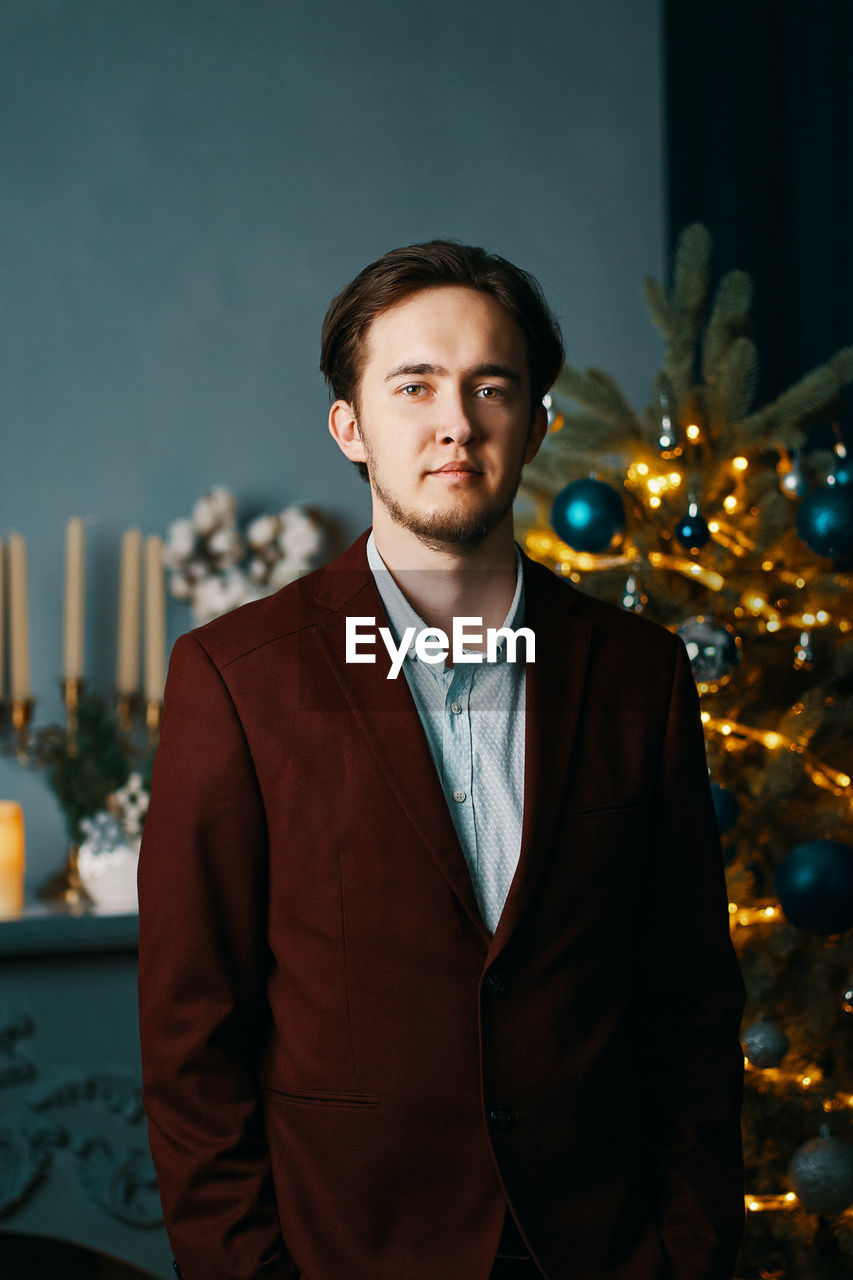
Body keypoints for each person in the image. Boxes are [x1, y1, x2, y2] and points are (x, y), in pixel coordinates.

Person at [137, 240, 747, 1280]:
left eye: (489, 386)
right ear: (351, 426)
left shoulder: (637, 674)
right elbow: (193, 1044)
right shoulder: (231, 678)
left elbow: (687, 1001)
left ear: (537, 422)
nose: (454, 420)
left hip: (599, 1252)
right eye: (413, 385)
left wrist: (685, 1254)